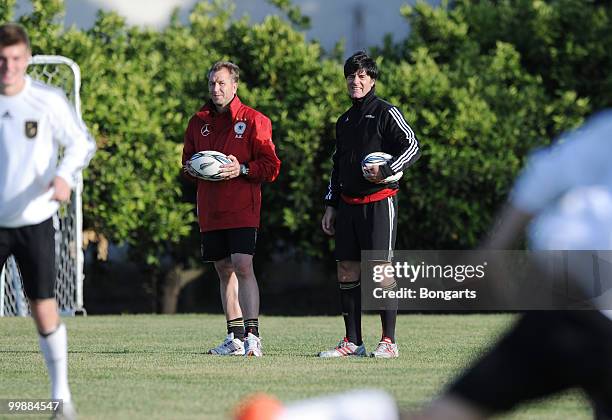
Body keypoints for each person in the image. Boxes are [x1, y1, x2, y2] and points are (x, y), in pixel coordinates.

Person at [233, 111, 612, 419]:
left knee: (443, 414)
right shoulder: (347, 120)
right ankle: (337, 368)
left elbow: (537, 180)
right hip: (583, 303)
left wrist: (493, 253)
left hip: (567, 299)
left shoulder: (599, 132)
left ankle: (294, 414)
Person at [0, 23, 95, 420]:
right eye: (2, 60)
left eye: (16, 59)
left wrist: (63, 175)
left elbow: (81, 143)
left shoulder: (46, 99)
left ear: (27, 58)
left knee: (43, 308)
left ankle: (60, 399)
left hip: (36, 220)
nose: (8, 67)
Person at [320, 51, 420, 358]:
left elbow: (412, 145)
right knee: (347, 270)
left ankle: (388, 341)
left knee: (380, 269)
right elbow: (337, 166)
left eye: (362, 76)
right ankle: (353, 342)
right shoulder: (344, 120)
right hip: (347, 206)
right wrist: (331, 204)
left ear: (372, 79)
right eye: (351, 76)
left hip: (379, 203)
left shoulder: (386, 112)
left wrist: (386, 170)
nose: (356, 81)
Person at [182, 61, 280, 357]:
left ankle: (253, 336)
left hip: (242, 207)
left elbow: (271, 166)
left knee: (242, 265)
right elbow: (187, 164)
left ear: (234, 86)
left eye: (222, 83)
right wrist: (194, 168)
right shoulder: (198, 121)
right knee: (224, 270)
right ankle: (234, 337)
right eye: (212, 83)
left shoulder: (253, 120)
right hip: (211, 210)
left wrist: (243, 168)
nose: (216, 88)